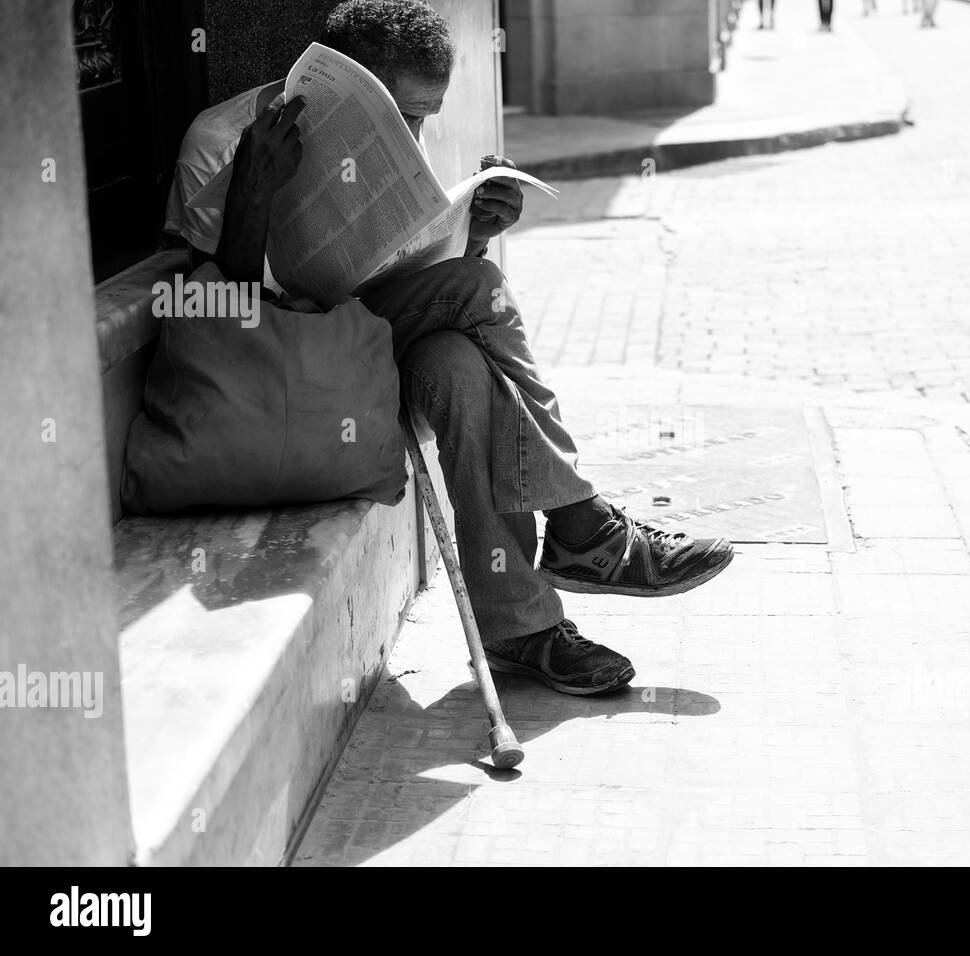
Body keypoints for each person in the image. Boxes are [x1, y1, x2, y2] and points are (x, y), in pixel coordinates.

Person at [164, 0, 734, 697]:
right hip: (282, 378)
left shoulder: (385, 144)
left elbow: (403, 269)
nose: (411, 135)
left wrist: (474, 228)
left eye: (423, 118)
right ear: (338, 86)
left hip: (369, 349)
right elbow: (216, 321)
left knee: (460, 368)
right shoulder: (216, 140)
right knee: (477, 287)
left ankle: (521, 629)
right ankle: (583, 525)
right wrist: (254, 189)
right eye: (398, 116)